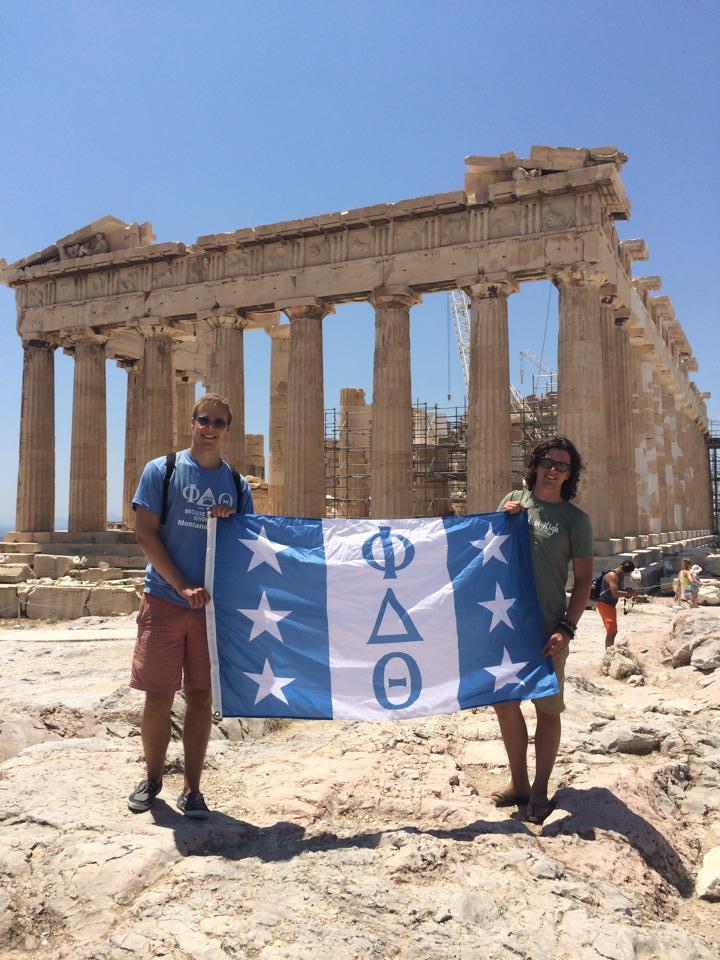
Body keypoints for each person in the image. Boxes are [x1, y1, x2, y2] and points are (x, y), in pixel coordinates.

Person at [127, 393, 254, 818]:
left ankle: (193, 789)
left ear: (227, 428)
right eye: (204, 419)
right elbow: (145, 534)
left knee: (200, 698)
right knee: (158, 697)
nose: (210, 428)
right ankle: (151, 779)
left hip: (212, 611)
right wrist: (180, 585)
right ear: (192, 420)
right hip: (164, 600)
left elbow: (250, 544)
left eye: (219, 422)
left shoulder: (237, 485)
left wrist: (230, 520)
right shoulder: (161, 471)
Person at [493, 436, 593, 824]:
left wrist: (568, 628)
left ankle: (540, 789)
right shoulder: (512, 500)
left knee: (547, 710)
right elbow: (485, 549)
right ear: (536, 464)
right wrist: (503, 518)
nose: (554, 470)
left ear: (570, 474)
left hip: (549, 626)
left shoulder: (576, 520)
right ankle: (518, 783)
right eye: (549, 462)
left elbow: (584, 580)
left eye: (563, 466)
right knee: (504, 705)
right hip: (504, 621)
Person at [595, 561, 636, 648]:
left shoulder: (621, 575)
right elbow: (616, 593)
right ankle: (609, 653)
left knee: (613, 631)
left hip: (611, 605)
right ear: (628, 571)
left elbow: (618, 590)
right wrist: (629, 594)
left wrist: (628, 591)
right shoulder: (612, 576)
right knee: (612, 631)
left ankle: (610, 650)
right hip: (605, 604)